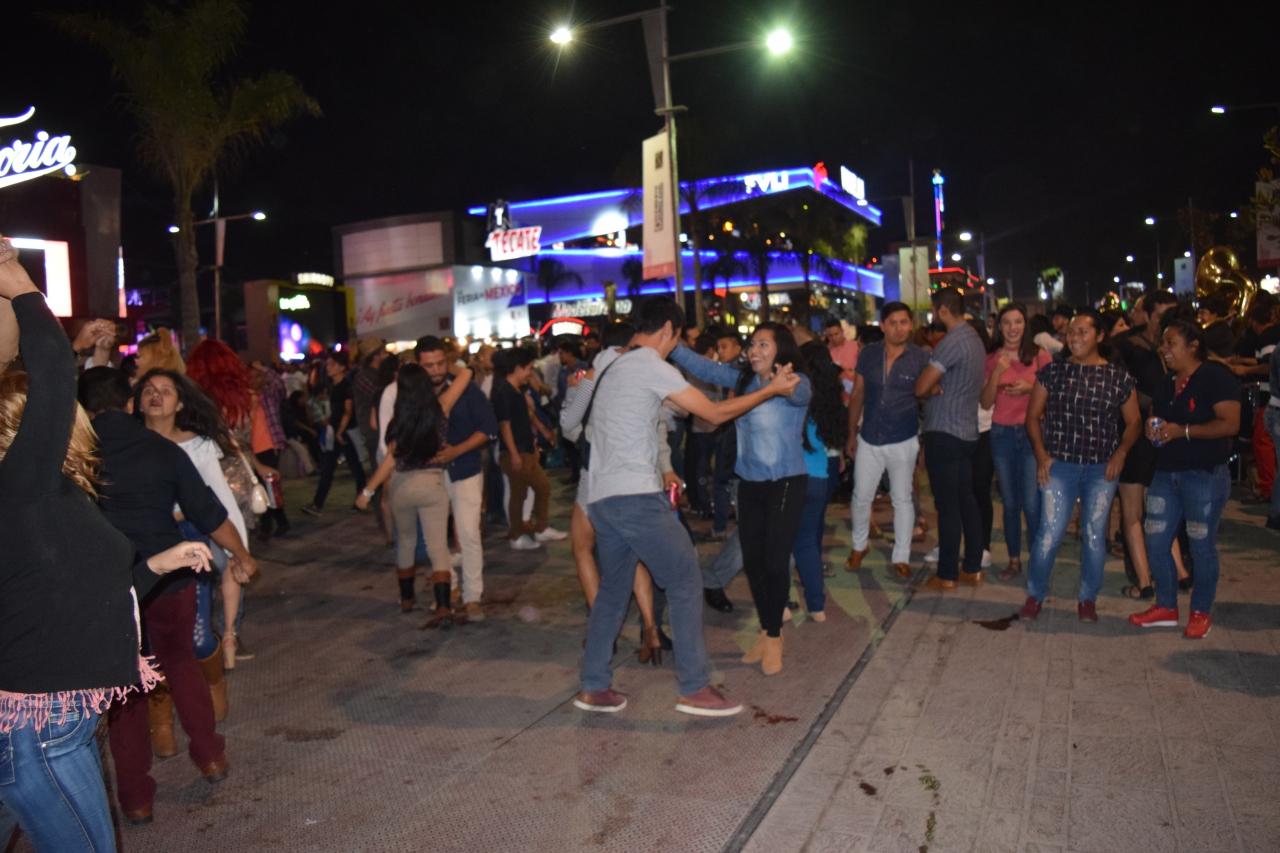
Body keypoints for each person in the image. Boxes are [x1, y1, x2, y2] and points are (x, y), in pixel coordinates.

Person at [0, 242, 210, 852]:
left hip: (49, 722)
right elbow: (48, 371)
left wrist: (158, 564)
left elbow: (77, 593)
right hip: (42, 730)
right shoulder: (21, 486)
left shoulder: (46, 498)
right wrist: (20, 285)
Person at [576, 297, 798, 715]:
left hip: (601, 498)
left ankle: (593, 685)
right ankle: (695, 687)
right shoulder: (649, 365)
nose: (672, 347)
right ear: (668, 330)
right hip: (635, 497)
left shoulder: (611, 365)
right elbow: (713, 414)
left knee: (613, 592)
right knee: (685, 580)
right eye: (675, 339)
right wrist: (770, 390)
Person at [78, 367, 247, 824]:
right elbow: (208, 512)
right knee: (181, 663)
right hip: (169, 575)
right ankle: (210, 755)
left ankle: (135, 797)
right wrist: (241, 554)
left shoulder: (77, 455)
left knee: (126, 689)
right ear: (129, 403)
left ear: (83, 408)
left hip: (111, 584)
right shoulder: (162, 450)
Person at [671, 321, 812, 675]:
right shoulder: (743, 380)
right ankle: (766, 631)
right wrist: (671, 345)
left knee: (776, 561)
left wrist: (783, 385)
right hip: (749, 484)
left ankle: (775, 635)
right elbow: (706, 368)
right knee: (754, 562)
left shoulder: (795, 380)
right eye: (753, 344)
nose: (754, 350)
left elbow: (800, 396)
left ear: (780, 349)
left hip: (786, 482)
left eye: (764, 345)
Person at [559, 322, 669, 664]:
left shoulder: (593, 375)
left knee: (582, 548)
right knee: (632, 554)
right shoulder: (646, 372)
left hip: (599, 477)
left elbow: (570, 426)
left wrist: (573, 392)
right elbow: (660, 426)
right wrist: (666, 467)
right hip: (641, 477)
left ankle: (603, 632)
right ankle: (651, 628)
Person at [1021, 309, 1141, 621]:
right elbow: (1032, 417)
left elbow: (1134, 422)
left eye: (1082, 332)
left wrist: (1121, 453)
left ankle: (1088, 598)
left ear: (1100, 336)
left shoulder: (1118, 377)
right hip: (1060, 466)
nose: (1074, 337)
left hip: (1101, 469)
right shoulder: (1054, 372)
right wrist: (1041, 455)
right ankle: (1035, 594)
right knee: (1049, 533)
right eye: (1071, 332)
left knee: (1094, 534)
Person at [135, 371, 258, 668]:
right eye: (149, 390)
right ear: (137, 402)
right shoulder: (127, 443)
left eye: (166, 391)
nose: (156, 395)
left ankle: (222, 648)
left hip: (188, 538)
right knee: (146, 639)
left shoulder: (197, 445)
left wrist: (240, 551)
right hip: (140, 542)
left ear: (180, 404)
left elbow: (220, 501)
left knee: (197, 639)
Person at [1129, 320, 1241, 638]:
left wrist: (1184, 431)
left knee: (1201, 545)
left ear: (1193, 346)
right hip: (1166, 473)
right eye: (1162, 343)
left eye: (1171, 343)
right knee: (1156, 540)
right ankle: (1166, 606)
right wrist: (1153, 427)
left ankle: (1200, 611)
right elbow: (1159, 417)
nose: (1163, 349)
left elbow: (1230, 423)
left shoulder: (1215, 376)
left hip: (1204, 475)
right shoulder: (1167, 382)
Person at [379, 337, 497, 621]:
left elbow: (488, 428)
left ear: (448, 361)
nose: (436, 370)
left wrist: (457, 450)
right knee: (436, 540)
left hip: (465, 469)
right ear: (418, 365)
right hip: (427, 476)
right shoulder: (411, 394)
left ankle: (472, 597)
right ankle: (448, 589)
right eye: (429, 365)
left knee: (468, 534)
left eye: (441, 363)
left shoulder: (465, 389)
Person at [356, 362, 473, 622]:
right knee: (438, 547)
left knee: (406, 542)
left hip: (402, 488)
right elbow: (466, 374)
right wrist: (444, 364)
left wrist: (367, 491)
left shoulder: (399, 422)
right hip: (432, 484)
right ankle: (443, 605)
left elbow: (390, 461)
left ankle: (407, 599)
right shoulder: (440, 409)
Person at [846, 302, 930, 577]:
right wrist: (851, 433)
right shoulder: (869, 354)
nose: (899, 328)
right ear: (882, 326)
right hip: (869, 436)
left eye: (904, 322)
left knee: (902, 499)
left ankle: (901, 556)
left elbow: (929, 395)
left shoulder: (920, 358)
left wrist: (925, 443)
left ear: (911, 325)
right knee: (861, 496)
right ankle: (859, 546)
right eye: (892, 323)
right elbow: (857, 393)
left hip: (903, 437)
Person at [915, 289, 987, 589]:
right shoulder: (975, 339)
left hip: (945, 430)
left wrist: (930, 388)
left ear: (943, 310)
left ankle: (947, 573)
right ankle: (972, 566)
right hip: (967, 430)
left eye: (934, 310)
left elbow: (921, 387)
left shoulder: (951, 342)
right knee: (966, 499)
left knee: (947, 506)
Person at [982, 303, 1052, 580]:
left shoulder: (1040, 355)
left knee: (1033, 504)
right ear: (999, 327)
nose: (1013, 328)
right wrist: (997, 373)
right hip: (1002, 434)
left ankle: (1037, 560)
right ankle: (1013, 560)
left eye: (1018, 322)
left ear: (1026, 325)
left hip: (1032, 434)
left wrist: (1031, 387)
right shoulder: (992, 358)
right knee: (1010, 503)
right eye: (1007, 322)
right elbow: (985, 402)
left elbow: (1054, 394)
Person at [792, 342, 848, 619]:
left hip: (796, 474)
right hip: (821, 473)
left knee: (786, 541)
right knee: (809, 537)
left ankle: (783, 604)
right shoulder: (832, 393)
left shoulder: (799, 394)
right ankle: (816, 605)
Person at [491, 347, 565, 549]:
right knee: (522, 492)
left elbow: (527, 416)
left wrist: (541, 433)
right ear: (517, 368)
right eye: (529, 369)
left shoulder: (516, 390)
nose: (530, 374)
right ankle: (519, 534)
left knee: (537, 488)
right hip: (516, 452)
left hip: (525, 450)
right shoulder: (504, 392)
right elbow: (504, 425)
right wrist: (514, 453)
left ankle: (536, 528)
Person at [303, 351, 367, 515]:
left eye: (332, 364)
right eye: (328, 364)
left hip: (345, 432)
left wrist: (339, 431)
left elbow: (348, 411)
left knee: (353, 467)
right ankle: (318, 504)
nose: (328, 367)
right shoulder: (333, 386)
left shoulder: (346, 386)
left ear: (342, 367)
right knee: (332, 467)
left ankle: (361, 500)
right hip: (337, 431)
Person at [824, 317, 859, 397]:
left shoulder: (855, 346)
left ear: (842, 331)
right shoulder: (825, 352)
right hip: (836, 395)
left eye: (836, 334)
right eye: (830, 336)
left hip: (855, 394)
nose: (833, 338)